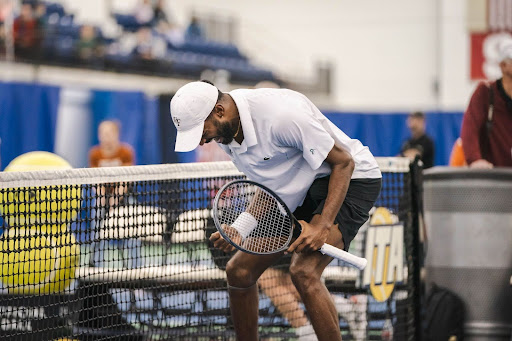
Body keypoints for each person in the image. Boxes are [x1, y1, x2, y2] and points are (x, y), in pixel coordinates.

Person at [170, 80, 382, 341]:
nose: (202, 141)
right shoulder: (226, 135)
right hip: (303, 188)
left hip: (351, 179)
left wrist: (322, 225)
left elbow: (343, 162)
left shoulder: (282, 116)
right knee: (239, 271)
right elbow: (270, 188)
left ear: (219, 111)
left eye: (202, 131)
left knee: (303, 272)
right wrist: (240, 228)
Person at [461, 38, 512, 168]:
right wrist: (475, 160)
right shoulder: (485, 93)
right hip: (493, 179)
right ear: (503, 66)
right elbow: (470, 129)